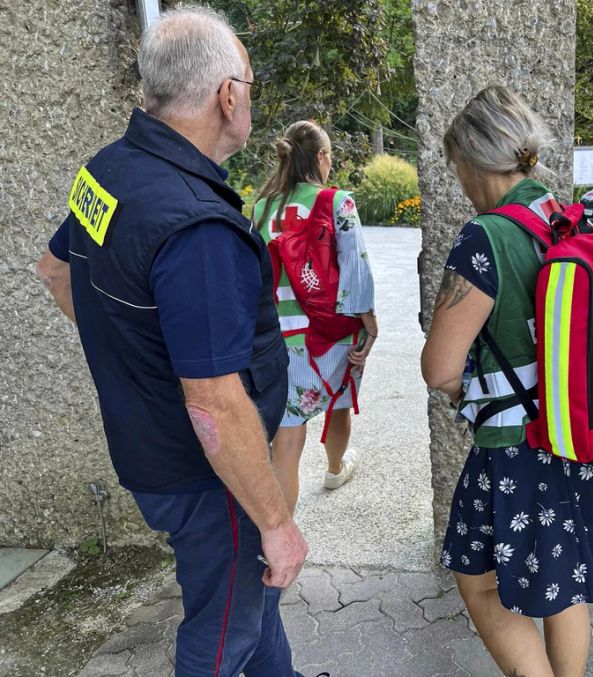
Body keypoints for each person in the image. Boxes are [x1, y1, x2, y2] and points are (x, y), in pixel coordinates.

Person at [35, 8, 315, 676]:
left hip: (151, 452)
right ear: (228, 95)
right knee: (224, 627)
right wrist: (277, 521)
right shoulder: (198, 229)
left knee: (250, 599)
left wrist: (137, 364)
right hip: (208, 477)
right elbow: (214, 405)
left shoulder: (106, 169)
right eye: (248, 83)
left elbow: (54, 271)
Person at [421, 86, 593, 677]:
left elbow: (439, 367)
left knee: (479, 581)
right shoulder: (562, 215)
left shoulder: (484, 238)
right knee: (565, 583)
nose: (457, 178)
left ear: (468, 157)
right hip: (580, 437)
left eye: (454, 164)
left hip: (517, 451)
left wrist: (466, 388)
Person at [254, 121, 377, 509]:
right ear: (322, 157)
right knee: (339, 398)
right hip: (333, 332)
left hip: (280, 336)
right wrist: (370, 328)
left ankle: (281, 534)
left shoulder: (262, 206)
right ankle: (335, 467)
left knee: (287, 437)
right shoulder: (336, 202)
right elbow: (356, 271)